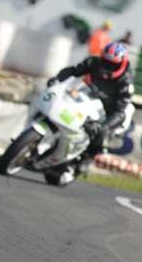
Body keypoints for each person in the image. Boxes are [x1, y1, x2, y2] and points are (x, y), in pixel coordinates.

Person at [47, 42, 133, 173]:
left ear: (121, 64)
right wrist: (57, 79)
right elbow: (73, 71)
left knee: (101, 132)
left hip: (109, 111)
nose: (108, 67)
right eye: (106, 62)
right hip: (88, 98)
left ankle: (87, 159)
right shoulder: (93, 62)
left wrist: (105, 125)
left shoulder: (126, 83)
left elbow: (120, 111)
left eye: (113, 65)